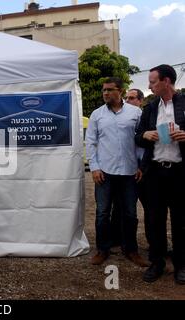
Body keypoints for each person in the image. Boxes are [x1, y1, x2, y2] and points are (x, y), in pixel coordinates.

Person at [86, 77, 147, 267]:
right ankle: (102, 250)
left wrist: (140, 165)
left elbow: (140, 143)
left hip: (129, 172)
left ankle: (131, 250)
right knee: (102, 213)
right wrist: (94, 167)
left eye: (109, 90)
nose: (105, 93)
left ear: (120, 91)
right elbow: (91, 142)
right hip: (105, 172)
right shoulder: (97, 115)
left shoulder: (136, 113)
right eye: (103, 90)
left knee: (130, 213)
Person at [135, 64, 185, 284]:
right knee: (154, 220)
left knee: (181, 221)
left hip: (180, 173)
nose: (149, 85)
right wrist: (146, 133)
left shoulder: (184, 103)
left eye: (153, 81)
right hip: (154, 172)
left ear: (166, 81)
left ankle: (181, 266)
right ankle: (157, 263)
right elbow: (137, 137)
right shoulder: (150, 108)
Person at [110, 89, 146, 248]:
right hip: (123, 169)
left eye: (132, 98)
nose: (128, 100)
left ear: (140, 101)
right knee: (119, 206)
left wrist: (142, 165)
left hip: (142, 169)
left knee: (146, 208)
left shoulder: (143, 116)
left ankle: (152, 243)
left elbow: (143, 145)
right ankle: (117, 238)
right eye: (127, 98)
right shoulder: (121, 116)